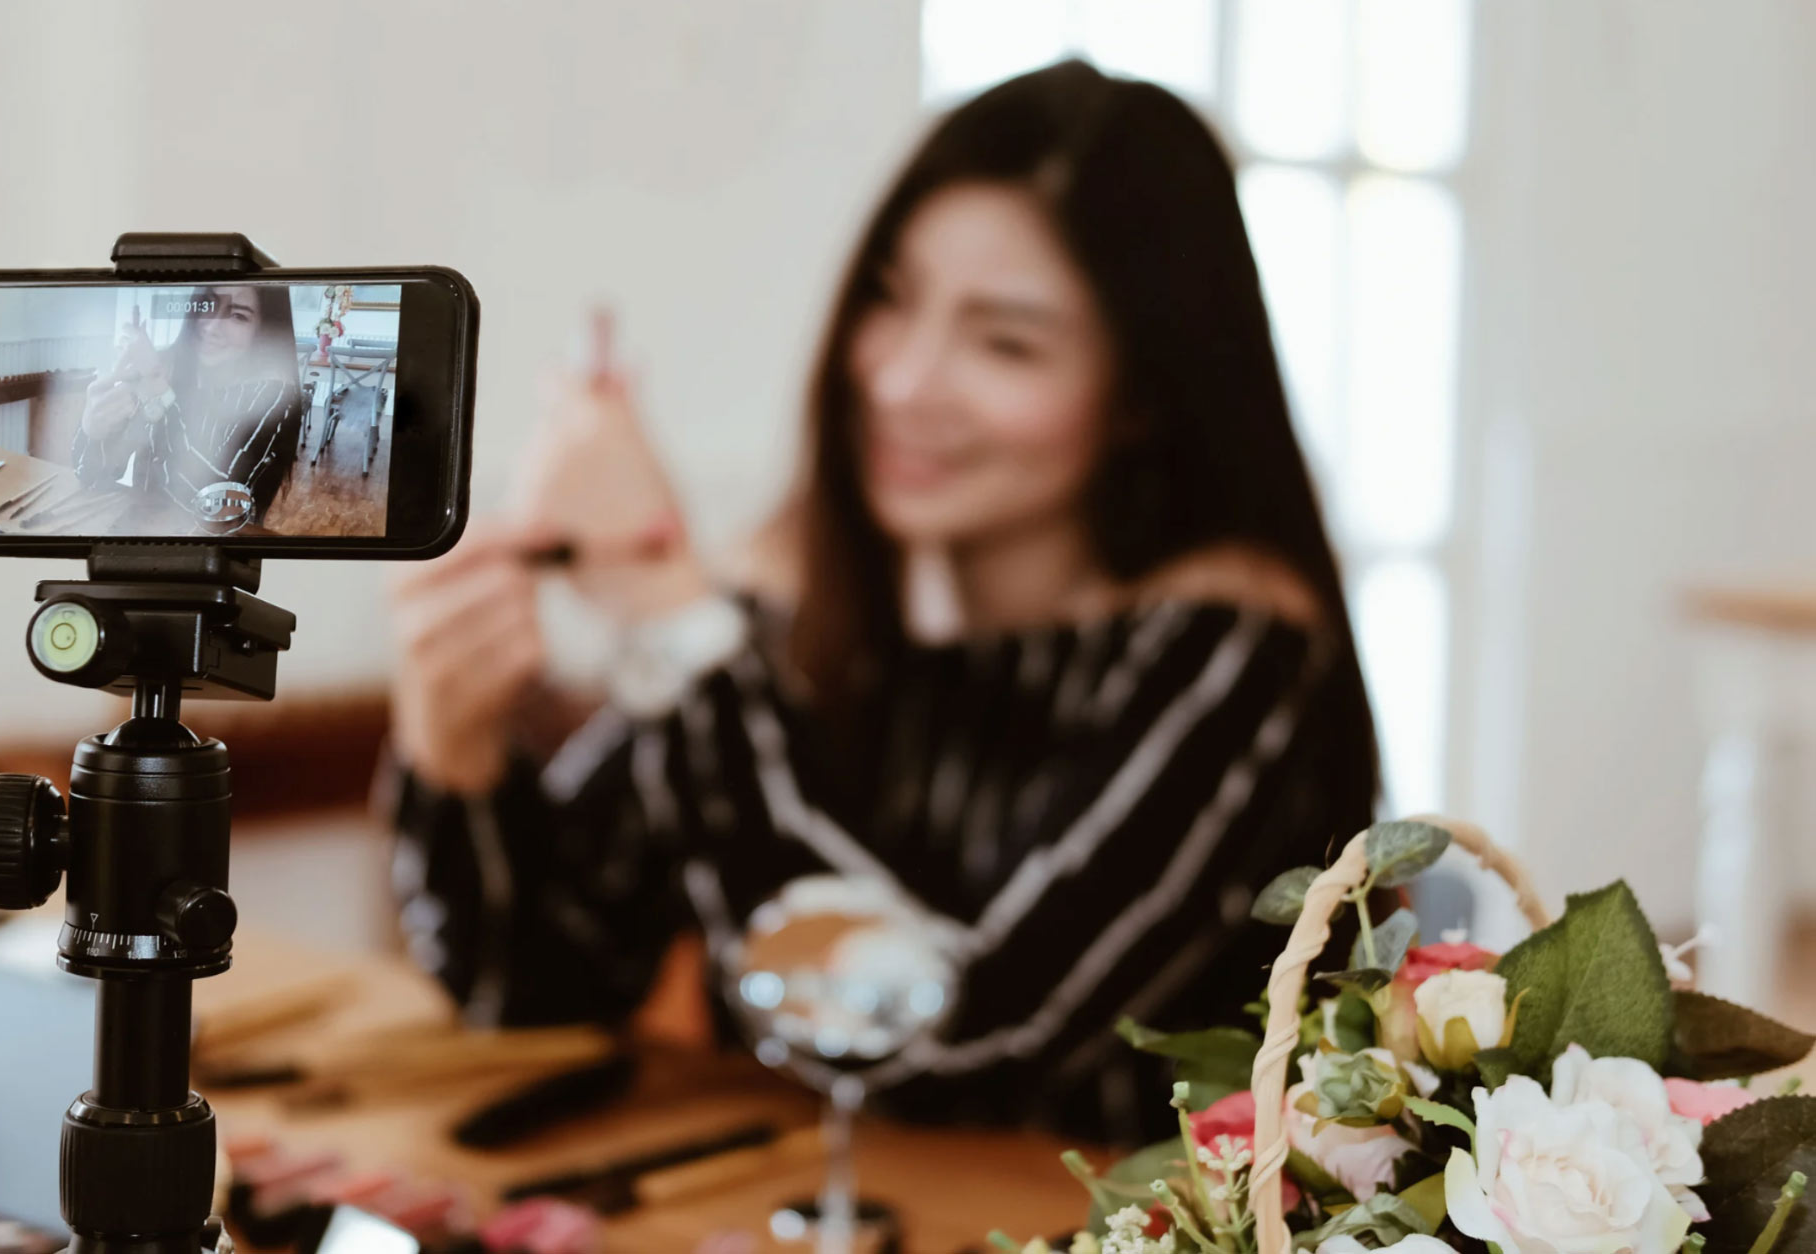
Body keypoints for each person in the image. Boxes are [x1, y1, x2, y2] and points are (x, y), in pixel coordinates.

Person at [386, 61, 1380, 1142]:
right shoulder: (801, 605)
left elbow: (955, 1049)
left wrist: (676, 624)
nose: (903, 380)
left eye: (1005, 342)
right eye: (890, 300)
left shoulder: (1236, 661)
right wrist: (458, 751)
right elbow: (535, 990)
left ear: (1144, 394)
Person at [73, 284, 304, 531]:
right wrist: (93, 432)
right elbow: (93, 476)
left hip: (217, 554)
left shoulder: (272, 392)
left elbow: (213, 508)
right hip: (141, 536)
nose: (212, 326)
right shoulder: (166, 365)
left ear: (265, 329)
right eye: (207, 305)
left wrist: (159, 389)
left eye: (238, 316)